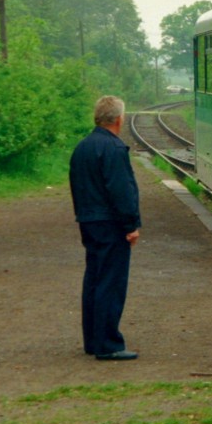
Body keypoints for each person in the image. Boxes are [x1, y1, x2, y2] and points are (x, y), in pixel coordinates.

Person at [69, 95, 141, 361]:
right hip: (111, 224)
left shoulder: (83, 147)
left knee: (95, 280)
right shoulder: (113, 148)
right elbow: (121, 190)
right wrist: (131, 224)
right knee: (111, 282)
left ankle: (93, 339)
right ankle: (109, 344)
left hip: (88, 220)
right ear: (119, 119)